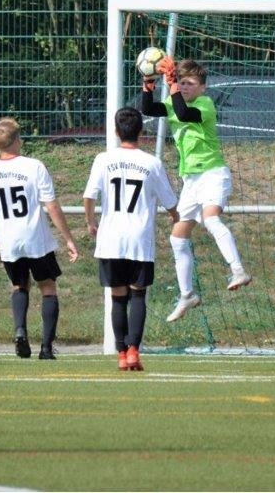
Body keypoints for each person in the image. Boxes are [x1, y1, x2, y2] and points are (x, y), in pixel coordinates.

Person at [140, 56, 250, 323]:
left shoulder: (205, 104)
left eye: (189, 83)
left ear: (202, 87)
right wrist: (148, 83)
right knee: (177, 238)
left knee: (211, 220)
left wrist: (172, 86)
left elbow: (184, 114)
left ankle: (238, 270)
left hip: (212, 173)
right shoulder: (173, 102)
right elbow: (149, 109)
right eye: (181, 82)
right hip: (191, 180)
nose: (184, 87)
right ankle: (187, 294)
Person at [83, 107, 179, 371]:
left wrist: (91, 222)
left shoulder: (103, 159)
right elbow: (170, 201)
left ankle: (121, 353)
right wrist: (176, 218)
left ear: (116, 132)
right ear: (141, 131)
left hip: (110, 238)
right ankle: (134, 350)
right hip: (139, 238)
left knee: (117, 296)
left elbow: (89, 196)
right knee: (138, 295)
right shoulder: (151, 162)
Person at [0, 117, 78, 360]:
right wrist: (68, 238)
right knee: (48, 286)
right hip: (35, 239)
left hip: (8, 240)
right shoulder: (34, 166)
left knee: (19, 285)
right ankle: (46, 347)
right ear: (18, 141)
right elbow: (51, 206)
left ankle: (20, 331)